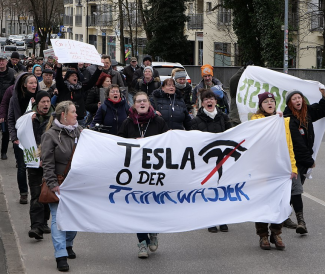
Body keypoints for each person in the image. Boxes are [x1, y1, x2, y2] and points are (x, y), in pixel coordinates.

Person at [118, 92, 168, 258]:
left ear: (149, 103)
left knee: (153, 206)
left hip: (155, 172)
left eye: (144, 101)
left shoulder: (158, 121)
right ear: (134, 105)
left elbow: (168, 143)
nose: (141, 103)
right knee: (138, 208)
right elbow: (119, 144)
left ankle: (153, 232)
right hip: (135, 173)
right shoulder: (127, 122)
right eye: (138, 101)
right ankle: (142, 243)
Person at [251, 92, 298, 250]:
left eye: (272, 101)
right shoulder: (256, 120)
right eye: (266, 102)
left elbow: (289, 146)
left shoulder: (283, 121)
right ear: (261, 105)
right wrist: (272, 120)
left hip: (280, 169)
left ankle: (276, 233)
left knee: (280, 202)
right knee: (264, 203)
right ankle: (263, 235)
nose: (270, 104)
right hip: (263, 170)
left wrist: (293, 167)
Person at [41, 101, 81, 271]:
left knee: (74, 218)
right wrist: (52, 184)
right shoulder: (50, 135)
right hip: (58, 183)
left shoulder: (81, 132)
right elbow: (47, 163)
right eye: (73, 112)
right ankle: (60, 255)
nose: (77, 115)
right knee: (58, 219)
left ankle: (68, 243)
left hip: (77, 185)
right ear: (64, 115)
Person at [283, 88, 325, 235]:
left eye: (299, 98)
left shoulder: (306, 113)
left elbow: (321, 110)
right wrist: (309, 160)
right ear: (289, 103)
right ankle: (301, 222)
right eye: (294, 99)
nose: (297, 101)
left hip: (302, 161)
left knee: (291, 191)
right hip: (291, 161)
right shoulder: (288, 118)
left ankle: (282, 216)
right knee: (296, 190)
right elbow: (297, 143)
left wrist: (324, 97)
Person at [190, 89, 232, 233]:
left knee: (223, 190)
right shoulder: (196, 121)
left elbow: (232, 137)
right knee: (209, 191)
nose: (209, 101)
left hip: (223, 160)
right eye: (206, 99)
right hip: (206, 162)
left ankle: (223, 219)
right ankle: (211, 221)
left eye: (211, 98)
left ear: (216, 101)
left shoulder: (224, 118)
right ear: (202, 103)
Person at [8, 73, 39, 204]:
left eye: (35, 83)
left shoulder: (39, 97)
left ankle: (37, 194)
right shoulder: (15, 99)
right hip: (20, 139)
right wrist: (14, 137)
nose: (34, 85)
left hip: (35, 138)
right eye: (31, 83)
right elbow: (11, 119)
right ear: (25, 85)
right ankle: (23, 193)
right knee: (22, 167)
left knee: (35, 166)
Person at [27, 91, 54, 240]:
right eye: (43, 102)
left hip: (49, 162)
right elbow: (23, 136)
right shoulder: (29, 118)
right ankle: (36, 226)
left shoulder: (55, 119)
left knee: (47, 193)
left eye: (48, 101)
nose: (45, 104)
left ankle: (44, 222)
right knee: (36, 194)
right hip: (33, 161)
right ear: (37, 103)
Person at [55, 59, 102, 127]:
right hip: (65, 118)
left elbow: (92, 82)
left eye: (76, 76)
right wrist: (59, 66)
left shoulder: (81, 87)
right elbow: (58, 79)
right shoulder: (63, 87)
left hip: (79, 118)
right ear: (67, 78)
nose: (75, 77)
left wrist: (99, 69)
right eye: (72, 75)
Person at [0, 54, 15, 160]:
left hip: (7, 105)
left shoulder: (11, 73)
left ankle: (3, 152)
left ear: (6, 61)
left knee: (6, 131)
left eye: (3, 61)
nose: (1, 63)